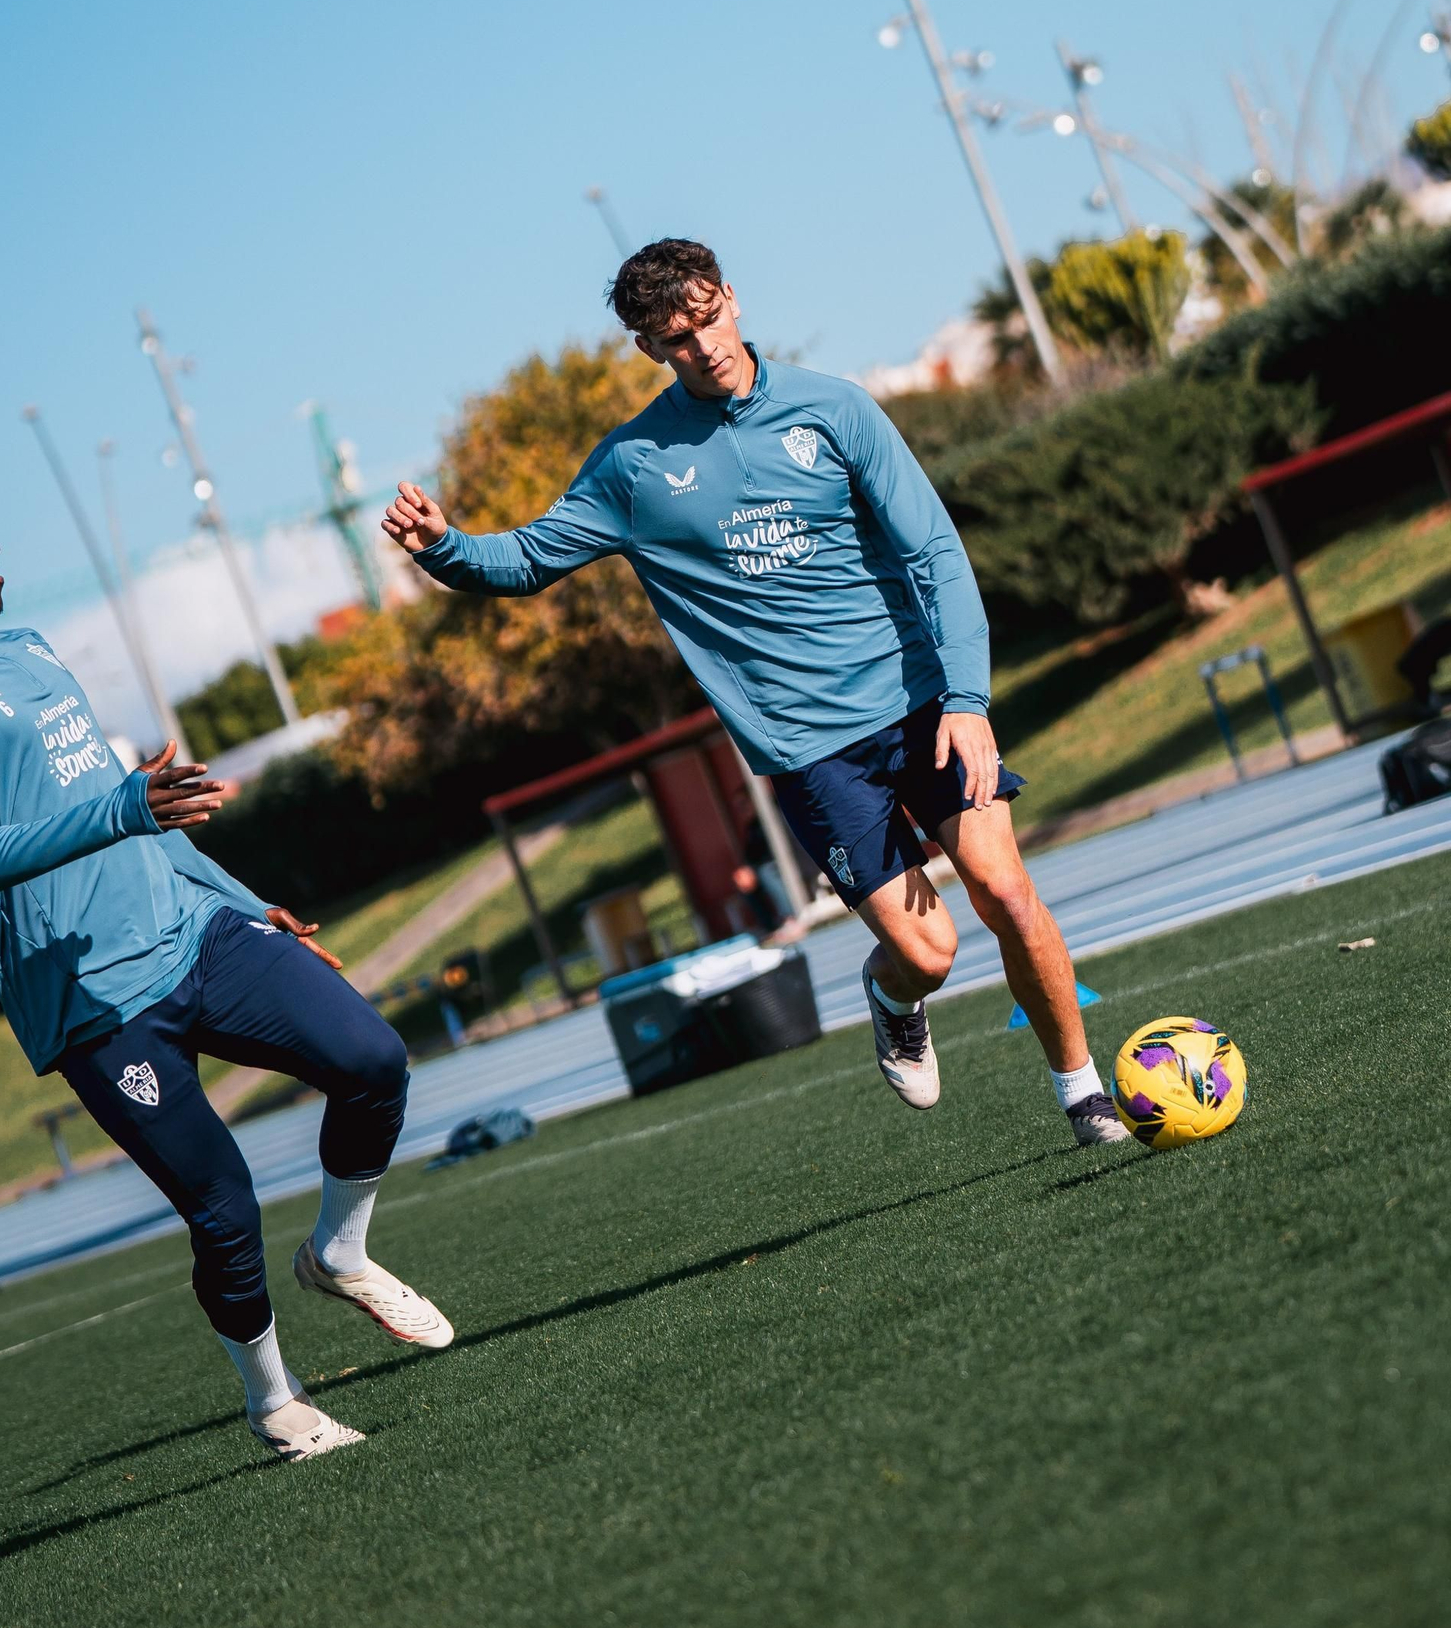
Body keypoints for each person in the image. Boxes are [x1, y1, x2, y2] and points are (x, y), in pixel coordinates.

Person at [385, 239, 1128, 1146]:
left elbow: (934, 553)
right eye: (677, 337)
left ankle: (1082, 1091)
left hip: (924, 701)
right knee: (928, 953)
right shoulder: (632, 467)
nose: (705, 346)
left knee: (1005, 892)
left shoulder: (836, 409)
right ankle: (893, 993)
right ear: (649, 350)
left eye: (709, 317)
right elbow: (530, 556)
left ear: (731, 296)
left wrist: (968, 701)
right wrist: (445, 546)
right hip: (809, 746)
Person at [0, 476, 454, 1463]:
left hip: (194, 931)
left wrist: (236, 893)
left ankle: (339, 1252)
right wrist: (124, 809)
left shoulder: (31, 646)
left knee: (372, 1056)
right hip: (92, 1001)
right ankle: (275, 1401)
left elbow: (128, 805)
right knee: (222, 1203)